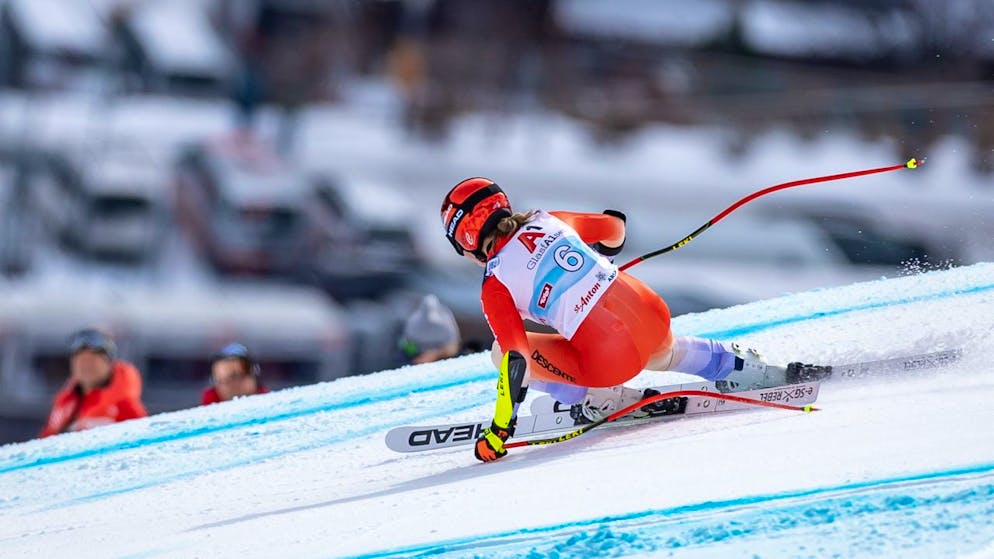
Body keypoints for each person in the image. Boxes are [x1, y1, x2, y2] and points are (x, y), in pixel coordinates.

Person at [439, 177, 830, 462]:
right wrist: (602, 255)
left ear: (468, 241)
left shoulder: (494, 286)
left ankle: (599, 401)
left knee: (498, 353)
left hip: (611, 359)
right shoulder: (550, 218)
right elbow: (615, 226)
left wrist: (499, 432)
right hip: (651, 312)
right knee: (662, 350)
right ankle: (737, 366)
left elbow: (516, 362)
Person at [39, 328, 148, 438]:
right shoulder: (64, 404)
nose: (86, 366)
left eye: (92, 360)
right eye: (81, 360)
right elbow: (46, 442)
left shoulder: (123, 404)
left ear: (108, 364)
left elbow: (141, 445)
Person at [398, 294, 483, 365]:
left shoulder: (445, 321)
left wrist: (435, 354)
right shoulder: (413, 324)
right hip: (418, 357)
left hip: (443, 357)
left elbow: (453, 347)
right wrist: (416, 355)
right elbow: (407, 346)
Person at [200, 343, 270, 405]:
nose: (232, 385)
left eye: (236, 376)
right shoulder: (210, 404)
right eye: (222, 379)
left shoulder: (266, 401)